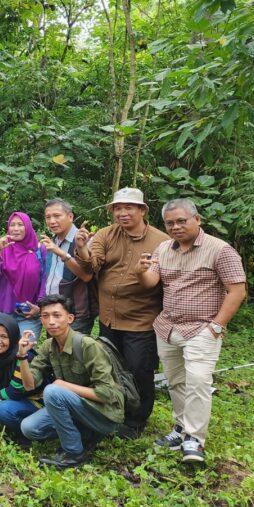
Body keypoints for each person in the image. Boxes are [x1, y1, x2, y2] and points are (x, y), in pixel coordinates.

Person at [137, 199, 246, 464]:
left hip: (202, 328)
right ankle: (180, 428)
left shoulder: (220, 250)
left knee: (198, 381)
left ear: (197, 220)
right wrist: (141, 271)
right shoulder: (163, 248)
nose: (175, 227)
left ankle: (194, 438)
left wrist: (216, 326)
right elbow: (151, 281)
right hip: (168, 327)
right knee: (176, 381)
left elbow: (237, 290)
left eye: (181, 221)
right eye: (170, 223)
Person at [74, 187, 167, 439]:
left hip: (141, 321)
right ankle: (113, 410)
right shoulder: (106, 234)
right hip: (109, 318)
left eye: (128, 208)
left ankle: (137, 420)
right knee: (111, 368)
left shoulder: (161, 241)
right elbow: (92, 264)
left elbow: (160, 279)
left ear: (142, 210)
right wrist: (82, 247)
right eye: (117, 208)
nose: (122, 213)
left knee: (140, 370)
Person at [19, 295, 124, 469]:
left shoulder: (87, 345)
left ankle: (74, 453)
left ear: (70, 318)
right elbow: (29, 385)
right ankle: (84, 433)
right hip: (77, 408)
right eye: (45, 316)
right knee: (29, 428)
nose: (51, 321)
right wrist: (22, 356)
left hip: (104, 414)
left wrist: (64, 386)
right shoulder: (48, 346)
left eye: (57, 315)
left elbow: (108, 394)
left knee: (53, 391)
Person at [0, 212, 46, 339]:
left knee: (25, 352)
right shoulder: (3, 247)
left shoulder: (39, 250)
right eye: (12, 225)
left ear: (28, 227)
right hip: (3, 310)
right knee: (2, 352)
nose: (16, 229)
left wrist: (40, 306)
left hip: (29, 313)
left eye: (20, 224)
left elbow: (45, 279)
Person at [40, 199, 95, 334]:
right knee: (55, 353)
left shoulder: (84, 240)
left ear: (70, 217)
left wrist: (60, 252)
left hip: (75, 314)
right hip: (53, 312)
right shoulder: (52, 241)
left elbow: (86, 276)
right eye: (48, 217)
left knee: (74, 353)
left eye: (57, 216)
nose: (52, 221)